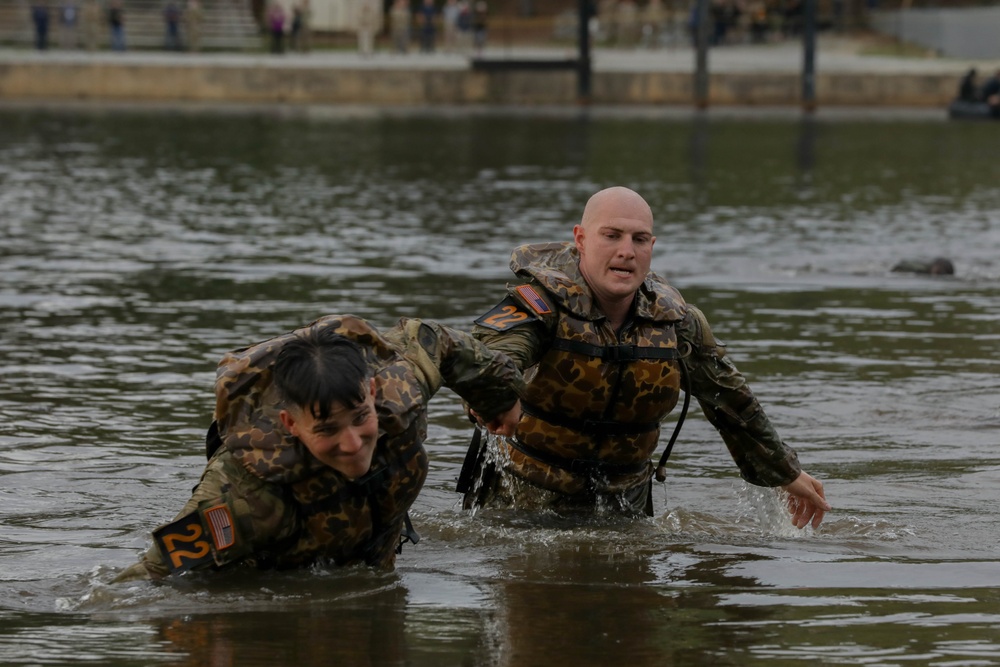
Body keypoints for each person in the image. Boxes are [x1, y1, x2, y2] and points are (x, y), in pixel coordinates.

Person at [460, 186, 830, 530]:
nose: (627, 251)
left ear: (651, 246)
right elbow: (492, 359)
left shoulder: (677, 323)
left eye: (639, 239)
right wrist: (496, 396)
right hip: (521, 501)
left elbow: (731, 400)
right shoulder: (537, 305)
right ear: (581, 240)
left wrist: (785, 473)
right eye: (612, 235)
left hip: (626, 502)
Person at [116, 315, 523, 581]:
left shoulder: (402, 389)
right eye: (328, 429)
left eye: (360, 418)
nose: (353, 444)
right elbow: (145, 579)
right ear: (290, 424)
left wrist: (499, 400)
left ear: (372, 391)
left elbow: (439, 341)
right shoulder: (242, 495)